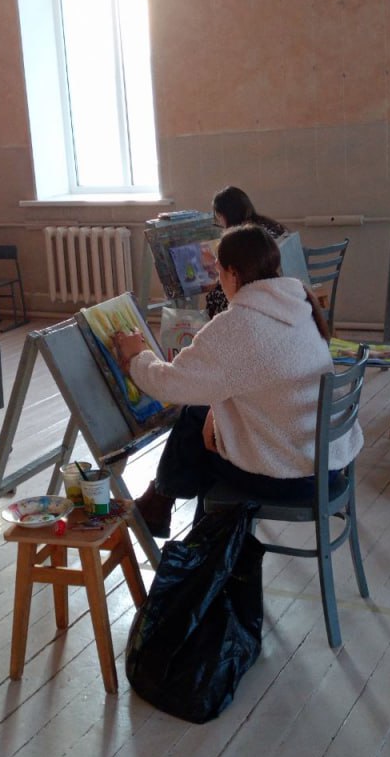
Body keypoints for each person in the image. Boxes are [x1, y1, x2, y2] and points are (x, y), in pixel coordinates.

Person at [112, 224, 363, 538]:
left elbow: (171, 384)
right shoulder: (298, 305)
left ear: (232, 273)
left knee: (198, 449)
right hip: (326, 466)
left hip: (291, 476)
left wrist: (137, 356)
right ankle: (164, 510)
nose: (218, 281)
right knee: (199, 419)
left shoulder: (239, 325)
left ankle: (177, 523)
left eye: (218, 271)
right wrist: (216, 413)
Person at [205, 186, 286, 318]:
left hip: (258, 292)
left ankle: (220, 324)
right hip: (279, 287)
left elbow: (240, 273)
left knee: (214, 296)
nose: (219, 222)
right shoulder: (267, 225)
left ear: (226, 215)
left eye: (219, 216)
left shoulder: (242, 236)